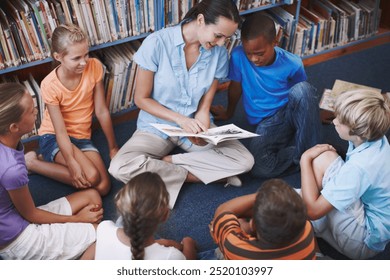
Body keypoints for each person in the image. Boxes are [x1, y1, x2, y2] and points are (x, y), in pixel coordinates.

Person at [108, 0, 254, 207]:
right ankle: (196, 175)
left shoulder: (220, 53)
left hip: (195, 130)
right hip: (156, 127)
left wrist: (202, 114)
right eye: (218, 35)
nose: (222, 43)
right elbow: (141, 99)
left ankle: (163, 166)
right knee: (119, 167)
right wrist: (180, 120)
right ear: (201, 20)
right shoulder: (157, 43)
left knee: (245, 161)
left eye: (227, 38)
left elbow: (206, 102)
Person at [0, 83, 104, 260]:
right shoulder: (11, 169)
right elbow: (30, 214)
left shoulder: (8, 142)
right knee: (103, 235)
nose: (36, 112)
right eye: (31, 111)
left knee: (93, 196)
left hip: (18, 214)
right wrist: (79, 219)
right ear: (14, 127)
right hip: (18, 239)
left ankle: (66, 245)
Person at [211, 13, 321, 178]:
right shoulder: (238, 56)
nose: (254, 59)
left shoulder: (293, 63)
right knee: (260, 167)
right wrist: (229, 112)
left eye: (260, 53)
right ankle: (305, 153)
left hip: (290, 110)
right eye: (249, 53)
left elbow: (303, 95)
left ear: (275, 42)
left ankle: (309, 154)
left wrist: (315, 112)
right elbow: (235, 86)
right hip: (268, 123)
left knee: (303, 89)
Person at [25, 24, 118, 196]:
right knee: (91, 176)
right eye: (76, 58)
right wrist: (71, 162)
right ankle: (32, 163)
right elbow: (60, 131)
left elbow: (102, 111)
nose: (84, 62)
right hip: (54, 136)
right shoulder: (49, 84)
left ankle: (43, 161)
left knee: (103, 187)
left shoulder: (95, 66)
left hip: (82, 137)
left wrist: (113, 147)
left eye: (86, 55)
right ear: (58, 57)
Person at [300, 89, 390, 259]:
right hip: (372, 223)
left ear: (357, 130)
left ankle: (317, 239)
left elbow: (311, 211)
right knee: (294, 197)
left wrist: (304, 159)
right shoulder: (375, 136)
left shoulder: (359, 167)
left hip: (362, 241)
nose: (334, 121)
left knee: (321, 160)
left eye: (340, 120)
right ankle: (319, 225)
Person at [94, 172, 197, 260]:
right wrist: (189, 243)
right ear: (165, 215)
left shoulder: (104, 228)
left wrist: (164, 242)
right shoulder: (170, 256)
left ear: (119, 204)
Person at [209, 178, 317, 259]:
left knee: (196, 243)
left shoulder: (235, 247)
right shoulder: (306, 229)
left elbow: (222, 211)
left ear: (252, 225)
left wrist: (263, 195)